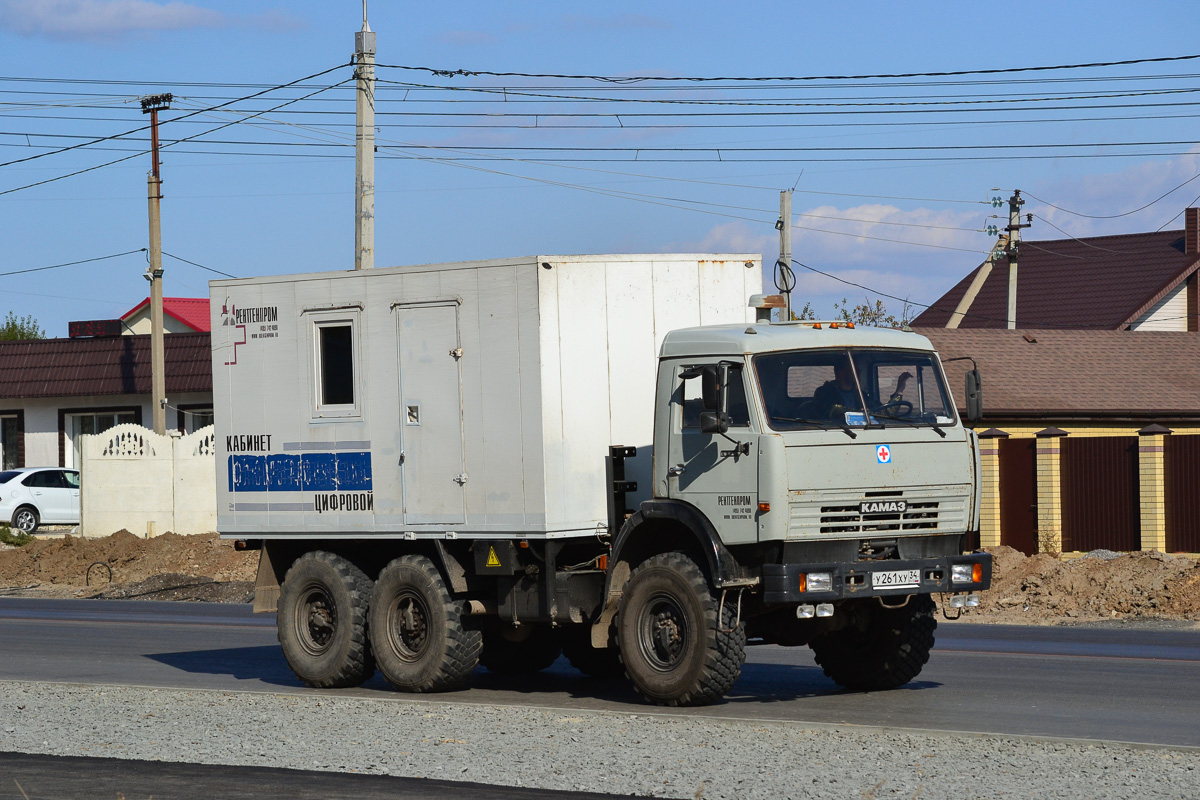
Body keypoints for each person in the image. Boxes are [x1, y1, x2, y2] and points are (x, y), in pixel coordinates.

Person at [811, 355, 863, 420]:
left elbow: (876, 408)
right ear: (841, 372)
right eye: (854, 369)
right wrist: (840, 412)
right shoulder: (824, 394)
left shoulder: (862, 395)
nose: (859, 372)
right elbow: (823, 416)